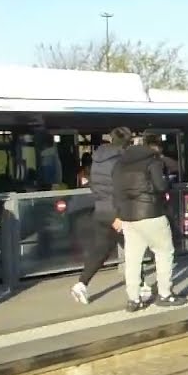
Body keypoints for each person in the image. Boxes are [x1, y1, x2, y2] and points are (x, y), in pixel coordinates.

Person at [112, 133, 188, 312]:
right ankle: (165, 294)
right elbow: (161, 186)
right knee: (164, 253)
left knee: (133, 259)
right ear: (156, 147)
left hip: (129, 218)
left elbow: (115, 192)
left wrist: (119, 214)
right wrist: (167, 182)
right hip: (152, 214)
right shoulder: (153, 161)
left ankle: (133, 299)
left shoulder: (120, 163)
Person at [71, 127, 132, 306]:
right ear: (127, 142)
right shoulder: (121, 160)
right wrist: (118, 215)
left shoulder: (97, 158)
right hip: (117, 212)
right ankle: (141, 286)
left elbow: (95, 184)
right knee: (133, 248)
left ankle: (81, 284)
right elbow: (121, 188)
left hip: (101, 209)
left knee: (101, 249)